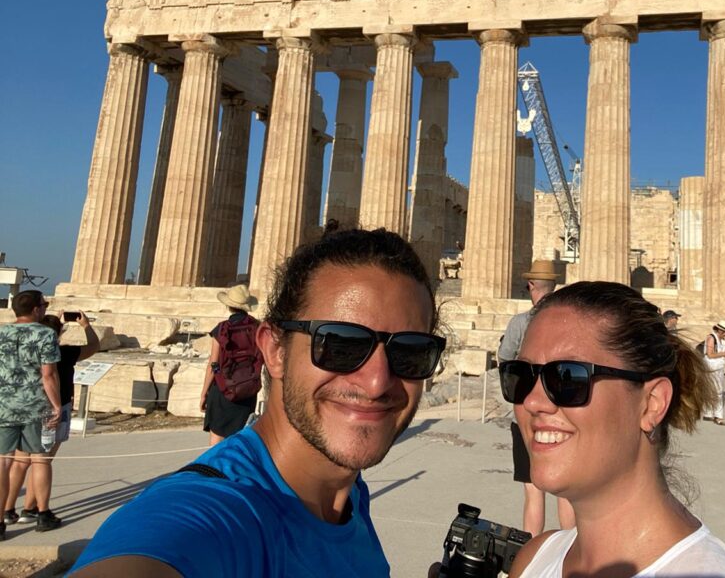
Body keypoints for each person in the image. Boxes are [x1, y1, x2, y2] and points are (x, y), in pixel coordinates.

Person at [70, 228, 446, 577]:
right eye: (340, 344)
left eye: (411, 351)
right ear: (274, 348)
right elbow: (158, 548)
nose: (377, 381)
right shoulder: (213, 514)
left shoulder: (346, 492)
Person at [500, 281, 725, 577]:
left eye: (568, 378)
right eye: (521, 376)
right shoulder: (534, 559)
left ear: (652, 404)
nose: (532, 401)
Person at [498, 259, 574, 536]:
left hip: (527, 411)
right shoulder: (571, 324)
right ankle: (571, 551)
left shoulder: (520, 323)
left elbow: (505, 359)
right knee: (565, 490)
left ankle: (531, 554)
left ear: (531, 285)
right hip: (565, 412)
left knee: (533, 491)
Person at [4, 311, 100, 528]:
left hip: (26, 406)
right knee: (42, 460)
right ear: (59, 333)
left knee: (20, 461)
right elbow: (94, 346)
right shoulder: (63, 352)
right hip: (54, 410)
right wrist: (85, 325)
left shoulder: (24, 350)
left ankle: (8, 510)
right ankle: (34, 510)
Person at [0, 290, 62, 539]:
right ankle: (43, 514)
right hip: (36, 406)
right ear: (36, 309)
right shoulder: (45, 333)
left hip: (3, 405)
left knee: (3, 462)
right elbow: (48, 375)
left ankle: (2, 519)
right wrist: (57, 405)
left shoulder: (1, 332)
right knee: (40, 459)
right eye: (44, 306)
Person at [200, 284, 260, 445]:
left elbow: (213, 364)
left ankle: (214, 469)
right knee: (239, 438)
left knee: (216, 439)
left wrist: (204, 393)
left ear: (228, 305)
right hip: (247, 391)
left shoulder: (221, 329)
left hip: (222, 389)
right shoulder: (258, 328)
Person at [701, 321, 725, 426]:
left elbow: (720, 354)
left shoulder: (723, 341)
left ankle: (710, 413)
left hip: (719, 368)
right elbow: (710, 354)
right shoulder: (711, 338)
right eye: (724, 332)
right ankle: (717, 415)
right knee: (716, 391)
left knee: (716, 390)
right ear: (719, 330)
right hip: (710, 368)